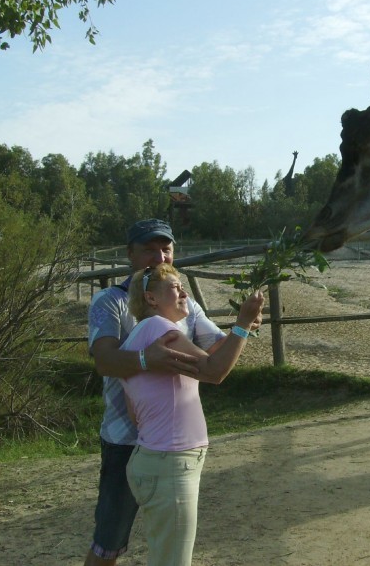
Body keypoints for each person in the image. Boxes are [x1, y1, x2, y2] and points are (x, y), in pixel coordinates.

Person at [84, 219, 259, 566]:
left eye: (166, 249)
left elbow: (217, 349)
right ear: (130, 254)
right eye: (149, 249)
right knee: (110, 540)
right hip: (125, 439)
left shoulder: (185, 305)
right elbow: (104, 361)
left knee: (163, 539)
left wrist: (245, 329)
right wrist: (149, 360)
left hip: (165, 441)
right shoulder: (111, 301)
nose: (159, 256)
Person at [120, 263, 264, 565]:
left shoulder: (139, 337)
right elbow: (214, 372)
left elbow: (135, 415)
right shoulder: (159, 328)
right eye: (175, 287)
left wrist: (243, 329)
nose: (184, 293)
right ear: (151, 299)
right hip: (170, 464)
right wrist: (242, 323)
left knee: (165, 555)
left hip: (155, 460)